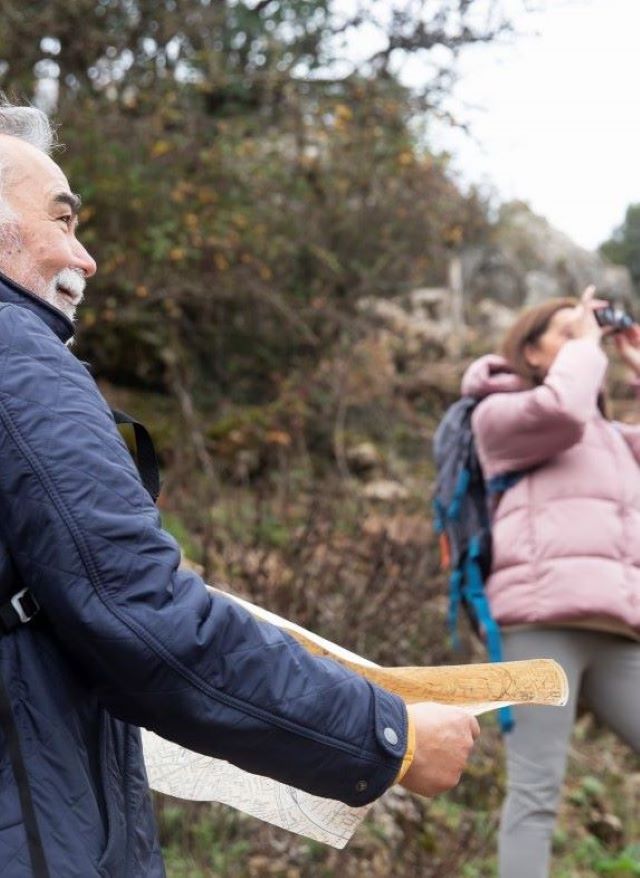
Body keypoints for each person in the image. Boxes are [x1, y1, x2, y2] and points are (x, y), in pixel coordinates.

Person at [0, 101, 479, 877]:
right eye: (63, 220)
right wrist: (392, 735)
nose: (85, 259)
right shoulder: (17, 356)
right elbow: (142, 615)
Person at [461, 286, 640, 878]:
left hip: (617, 629)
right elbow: (562, 409)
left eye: (585, 334)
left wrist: (637, 366)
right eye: (564, 331)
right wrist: (589, 344)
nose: (583, 341)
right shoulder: (500, 416)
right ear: (533, 354)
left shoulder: (612, 439)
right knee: (537, 791)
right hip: (539, 626)